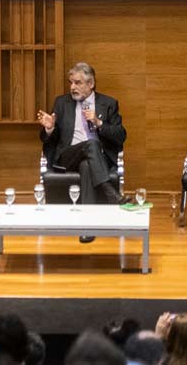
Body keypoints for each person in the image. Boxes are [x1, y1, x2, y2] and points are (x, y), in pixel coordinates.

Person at [37, 62, 127, 242]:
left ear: (91, 83)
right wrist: (50, 129)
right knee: (91, 145)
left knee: (87, 164)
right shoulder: (61, 103)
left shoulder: (108, 104)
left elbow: (121, 136)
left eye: (78, 83)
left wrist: (99, 123)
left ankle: (87, 226)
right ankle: (111, 193)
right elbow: (48, 140)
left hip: (97, 159)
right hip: (67, 156)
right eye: (71, 82)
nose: (72, 87)